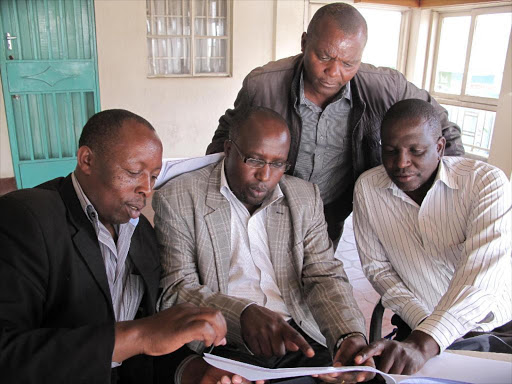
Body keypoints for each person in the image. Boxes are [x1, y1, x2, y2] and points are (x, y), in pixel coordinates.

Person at [0, 109, 250, 384]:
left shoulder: (141, 234)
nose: (146, 188)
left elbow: (148, 343)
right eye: (133, 172)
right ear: (87, 160)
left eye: (154, 176)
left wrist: (193, 371)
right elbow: (8, 352)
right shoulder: (28, 217)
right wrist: (138, 334)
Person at [206, 2, 464, 243]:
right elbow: (229, 132)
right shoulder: (263, 84)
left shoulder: (387, 87)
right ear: (305, 42)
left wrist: (445, 195)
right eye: (324, 57)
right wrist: (210, 189)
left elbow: (443, 130)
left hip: (332, 208)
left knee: (315, 278)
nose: (333, 72)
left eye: (348, 63)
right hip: (270, 202)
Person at [153, 106, 375, 384]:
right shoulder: (180, 198)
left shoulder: (304, 197)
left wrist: (348, 336)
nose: (265, 176)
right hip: (227, 344)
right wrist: (241, 316)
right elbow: (176, 290)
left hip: (300, 337)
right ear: (229, 149)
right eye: (255, 160)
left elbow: (324, 275)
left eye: (278, 163)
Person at [352, 99, 512, 374]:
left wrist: (429, 339)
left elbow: (480, 278)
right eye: (390, 151)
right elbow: (377, 269)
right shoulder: (368, 188)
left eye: (416, 150)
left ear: (439, 147)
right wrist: (424, 326)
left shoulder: (485, 182)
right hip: (416, 327)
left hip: (492, 329)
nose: (401, 163)